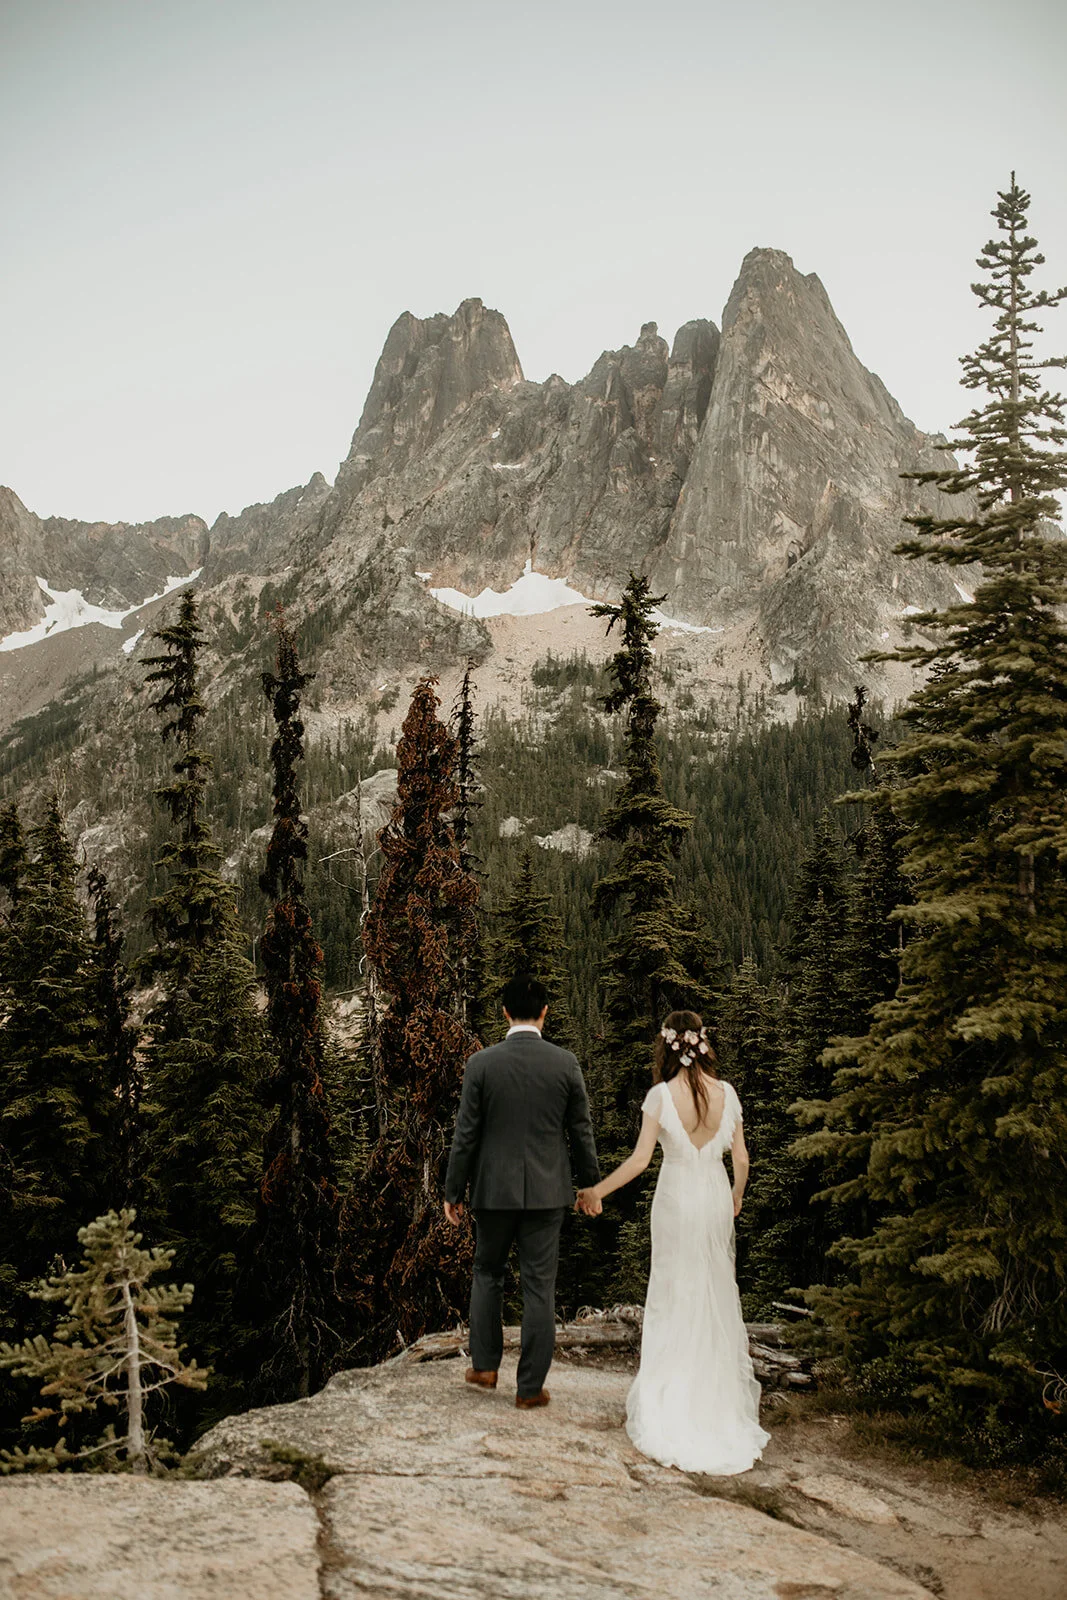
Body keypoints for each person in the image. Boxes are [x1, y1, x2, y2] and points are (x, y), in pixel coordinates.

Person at [581, 1009, 770, 1474]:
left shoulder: (661, 1096)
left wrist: (597, 1191)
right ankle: (715, 1405)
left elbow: (640, 1161)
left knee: (673, 1291)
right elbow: (742, 1159)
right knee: (714, 1289)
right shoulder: (728, 1094)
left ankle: (672, 1398)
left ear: (666, 1047)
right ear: (702, 1043)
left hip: (675, 1199)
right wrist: (736, 1196)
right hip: (713, 1197)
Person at [443, 973, 601, 1409]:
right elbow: (581, 1131)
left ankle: (484, 1367)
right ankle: (530, 1388)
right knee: (539, 1287)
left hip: (493, 1191)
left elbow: (465, 1135)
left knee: (487, 1273)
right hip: (548, 1193)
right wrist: (590, 1186)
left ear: (505, 1012)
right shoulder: (565, 1063)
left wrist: (453, 1190)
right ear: (545, 1012)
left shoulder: (481, 1064)